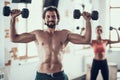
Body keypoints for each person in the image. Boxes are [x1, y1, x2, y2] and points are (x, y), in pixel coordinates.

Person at [10, 6, 91, 80]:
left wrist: (87, 21)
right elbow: (14, 38)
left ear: (57, 19)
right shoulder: (37, 34)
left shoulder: (65, 34)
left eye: (53, 16)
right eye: (48, 16)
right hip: (42, 75)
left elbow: (86, 40)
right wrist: (13, 19)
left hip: (59, 75)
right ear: (44, 19)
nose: (50, 18)